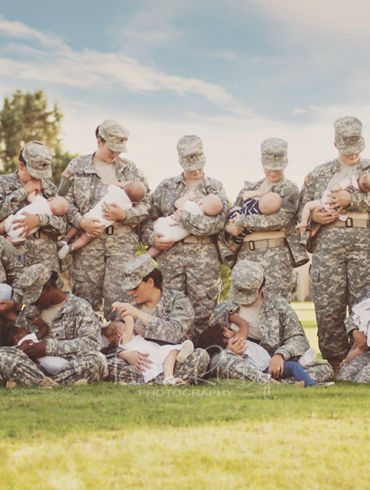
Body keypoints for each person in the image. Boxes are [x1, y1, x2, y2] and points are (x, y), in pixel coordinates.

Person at [298, 116, 370, 375]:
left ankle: (364, 361)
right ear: (335, 144)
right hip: (328, 245)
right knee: (329, 305)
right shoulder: (317, 174)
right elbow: (299, 209)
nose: (352, 154)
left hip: (365, 245)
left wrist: (354, 200)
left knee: (365, 305)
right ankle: (335, 364)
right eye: (346, 149)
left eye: (356, 149)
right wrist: (314, 217)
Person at [58, 120, 150, 321]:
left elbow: (146, 204)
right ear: (99, 141)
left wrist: (125, 216)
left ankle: (118, 347)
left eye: (120, 149)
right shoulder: (77, 166)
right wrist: (81, 222)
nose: (116, 154)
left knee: (120, 299)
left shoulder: (130, 169)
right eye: (112, 148)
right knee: (84, 300)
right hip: (88, 242)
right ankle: (86, 347)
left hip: (121, 244)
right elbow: (63, 200)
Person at [141, 135, 229, 338]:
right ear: (180, 160)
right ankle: (172, 360)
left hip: (204, 259)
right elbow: (147, 221)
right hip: (170, 258)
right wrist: (153, 239)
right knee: (170, 311)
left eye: (199, 164)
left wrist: (186, 220)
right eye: (191, 166)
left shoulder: (215, 187)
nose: (196, 170)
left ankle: (201, 360)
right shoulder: (166, 187)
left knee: (203, 313)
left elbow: (219, 223)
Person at [209, 260, 333, 384]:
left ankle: (272, 382)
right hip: (241, 365)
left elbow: (298, 339)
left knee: (324, 369)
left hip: (275, 366)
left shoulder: (279, 306)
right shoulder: (223, 310)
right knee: (221, 360)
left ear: (261, 288)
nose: (243, 300)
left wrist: (280, 355)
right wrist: (227, 350)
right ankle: (274, 382)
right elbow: (210, 346)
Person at [222, 138, 308, 302]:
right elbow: (231, 215)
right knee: (245, 309)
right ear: (262, 163)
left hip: (275, 258)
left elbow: (278, 220)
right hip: (245, 256)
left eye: (278, 168)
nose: (274, 172)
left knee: (275, 309)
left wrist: (242, 222)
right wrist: (229, 228)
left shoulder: (289, 190)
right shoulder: (248, 189)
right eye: (269, 168)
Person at [104, 255, 210, 384]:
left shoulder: (177, 300)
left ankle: (156, 380)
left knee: (200, 356)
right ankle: (168, 380)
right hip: (144, 364)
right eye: (129, 289)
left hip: (174, 359)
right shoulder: (130, 305)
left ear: (150, 282)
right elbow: (113, 340)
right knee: (110, 364)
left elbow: (176, 333)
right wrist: (123, 353)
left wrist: (139, 315)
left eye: (135, 287)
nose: (130, 293)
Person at [0, 264, 107, 387]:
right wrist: (24, 347)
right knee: (2, 355)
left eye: (35, 296)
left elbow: (92, 343)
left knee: (98, 360)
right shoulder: (31, 310)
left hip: (70, 365)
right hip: (35, 366)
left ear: (48, 287)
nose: (33, 301)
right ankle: (55, 383)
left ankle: (39, 383)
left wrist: (48, 347)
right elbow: (19, 336)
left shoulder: (80, 307)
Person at [0, 142, 68, 276]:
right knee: (15, 295)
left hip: (47, 260)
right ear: (22, 165)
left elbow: (63, 226)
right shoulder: (2, 184)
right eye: (34, 174)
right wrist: (23, 192)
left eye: (42, 174)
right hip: (14, 259)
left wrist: (38, 220)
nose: (38, 178)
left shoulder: (49, 188)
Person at [196, 323, 320, 387]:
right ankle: (311, 384)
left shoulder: (231, 346)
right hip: (265, 368)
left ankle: (291, 383)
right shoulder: (236, 341)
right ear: (225, 334)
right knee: (293, 366)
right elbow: (244, 326)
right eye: (227, 329)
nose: (231, 329)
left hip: (263, 369)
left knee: (319, 368)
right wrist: (237, 320)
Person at [57, 181, 145, 260]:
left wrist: (121, 184)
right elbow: (133, 224)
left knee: (78, 224)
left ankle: (65, 238)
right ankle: (71, 247)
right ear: (134, 201)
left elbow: (110, 184)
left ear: (125, 187)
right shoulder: (128, 205)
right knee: (84, 238)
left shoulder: (116, 190)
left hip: (91, 215)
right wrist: (120, 220)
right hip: (99, 225)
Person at [103, 316, 194, 384]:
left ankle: (178, 355)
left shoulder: (131, 340)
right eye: (124, 326)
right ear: (119, 334)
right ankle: (169, 377)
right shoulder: (125, 341)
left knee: (170, 351)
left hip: (154, 357)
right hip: (153, 358)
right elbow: (129, 320)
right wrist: (124, 312)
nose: (128, 327)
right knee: (170, 350)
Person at [146, 192, 223, 258]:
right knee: (161, 245)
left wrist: (187, 197)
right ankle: (147, 255)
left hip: (164, 224)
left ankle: (145, 255)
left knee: (159, 225)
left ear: (200, 202)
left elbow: (177, 203)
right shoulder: (202, 219)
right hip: (173, 237)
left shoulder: (192, 205)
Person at [296, 173, 370, 236]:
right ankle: (314, 231)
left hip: (327, 203)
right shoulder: (319, 172)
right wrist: (313, 217)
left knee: (308, 206)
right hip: (338, 213)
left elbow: (335, 189)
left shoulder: (349, 182)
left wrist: (350, 198)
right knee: (324, 219)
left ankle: (304, 222)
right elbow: (300, 204)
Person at [1, 321, 69, 376]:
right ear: (19, 336)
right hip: (58, 361)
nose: (28, 332)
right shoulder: (26, 339)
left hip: (47, 368)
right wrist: (43, 324)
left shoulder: (18, 351)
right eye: (25, 330)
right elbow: (43, 331)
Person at [1, 193, 69, 244]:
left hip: (13, 220)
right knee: (7, 244)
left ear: (50, 199)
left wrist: (34, 192)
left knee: (2, 225)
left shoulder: (41, 200)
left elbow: (29, 197)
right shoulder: (49, 216)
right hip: (20, 232)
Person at [0, 236, 25, 325]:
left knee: (5, 290)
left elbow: (21, 272)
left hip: (4, 321)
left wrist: (14, 301)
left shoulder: (1, 243)